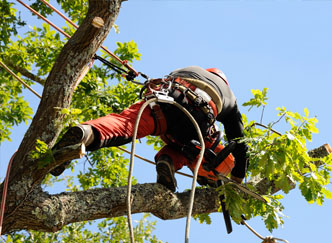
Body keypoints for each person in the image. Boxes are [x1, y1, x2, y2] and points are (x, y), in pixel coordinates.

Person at [50, 66, 248, 192]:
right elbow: (239, 142)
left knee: (125, 125)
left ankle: (85, 133)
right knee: (199, 148)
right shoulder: (229, 96)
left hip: (166, 101)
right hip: (198, 120)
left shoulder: (190, 69)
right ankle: (168, 161)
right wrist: (238, 177)